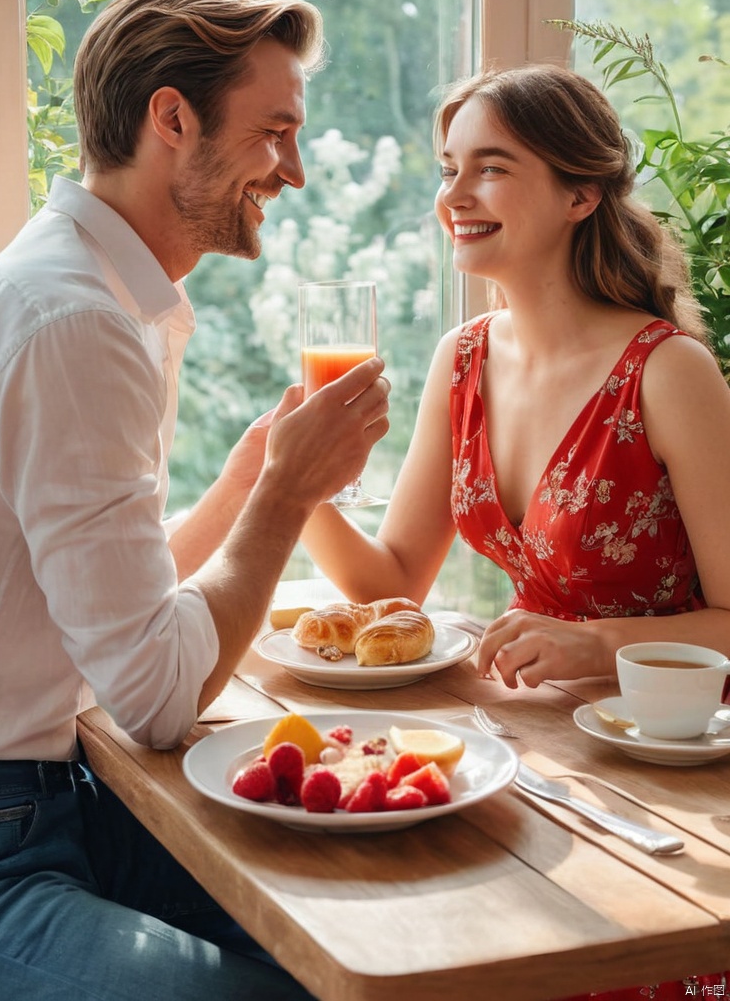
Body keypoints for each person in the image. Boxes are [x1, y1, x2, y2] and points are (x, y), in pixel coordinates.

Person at [0, 0, 390, 1000]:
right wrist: (283, 500)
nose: (289, 171)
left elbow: (122, 609)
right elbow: (152, 697)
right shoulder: (74, 320)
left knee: (353, 932)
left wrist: (249, 482)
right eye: (274, 132)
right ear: (171, 116)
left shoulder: (101, 290)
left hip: (49, 797)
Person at [301, 61, 730, 999]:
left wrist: (597, 643)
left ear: (581, 192)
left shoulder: (669, 372)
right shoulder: (461, 359)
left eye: (488, 168)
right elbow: (394, 585)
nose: (453, 195)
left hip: (678, 785)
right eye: (448, 169)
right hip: (544, 761)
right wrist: (298, 483)